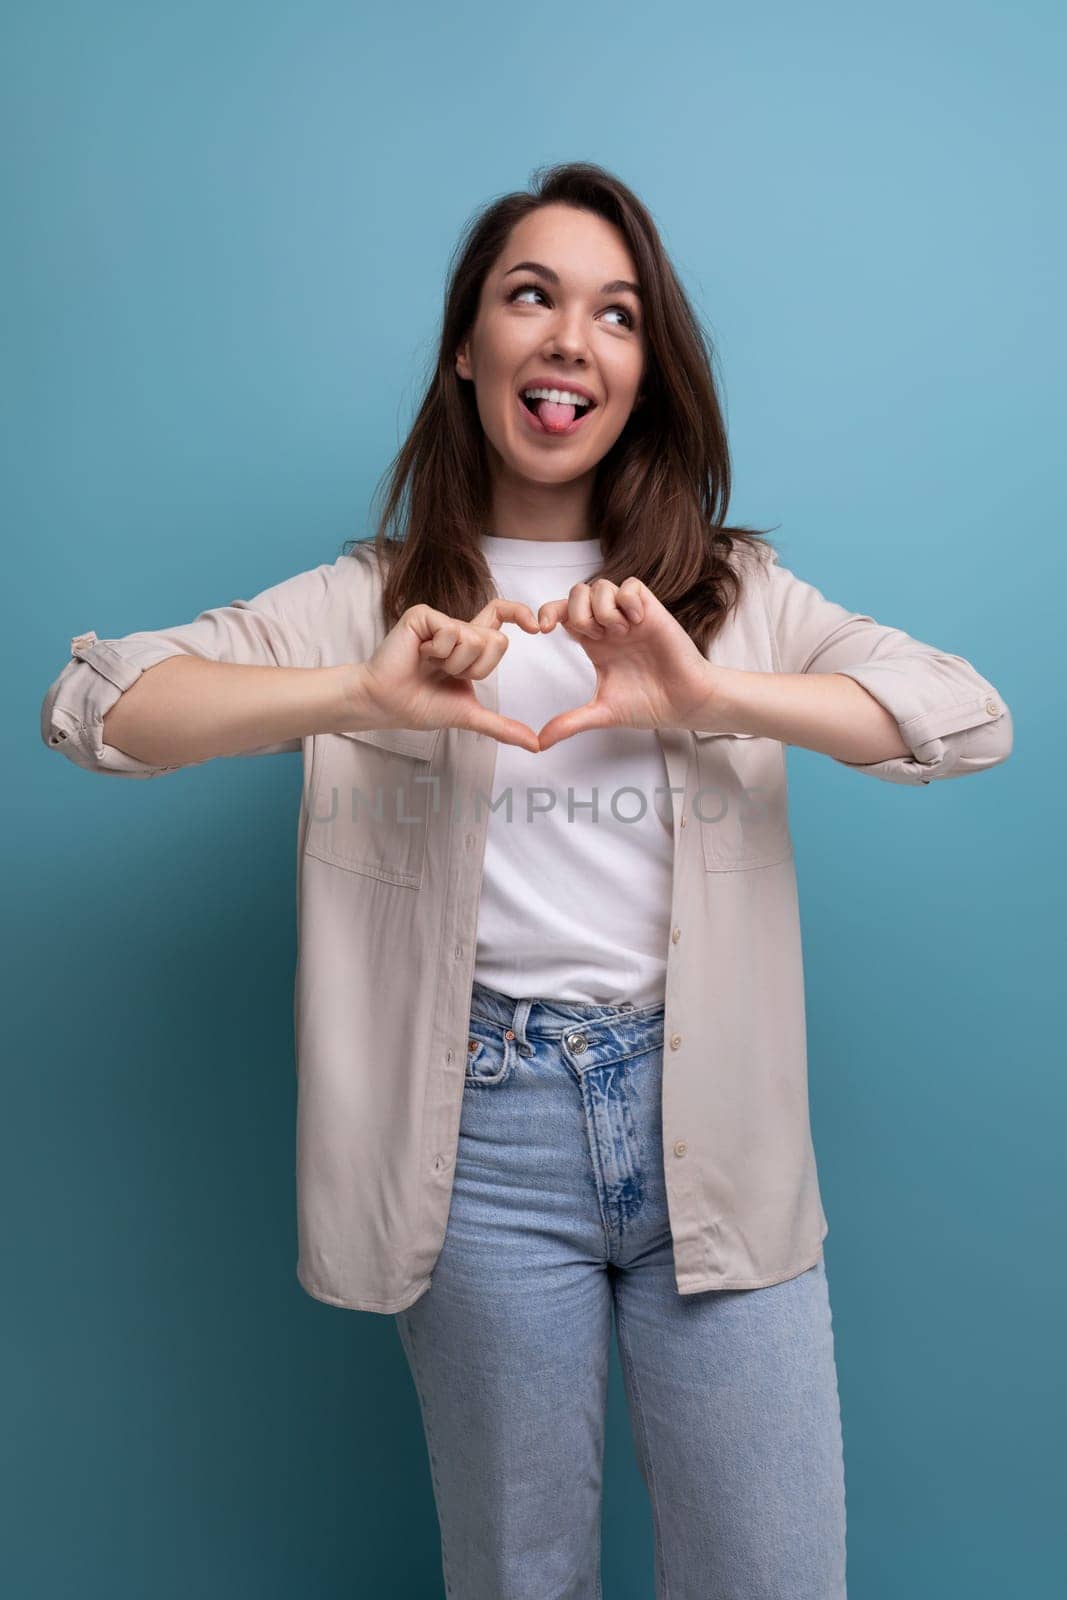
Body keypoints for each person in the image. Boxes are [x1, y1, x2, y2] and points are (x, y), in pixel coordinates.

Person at [40, 161, 1013, 1599]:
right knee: (520, 1577)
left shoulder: (731, 598)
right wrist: (352, 695)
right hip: (480, 1151)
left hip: (716, 1129)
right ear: (468, 346)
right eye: (532, 295)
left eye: (617, 315)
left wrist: (713, 699)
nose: (572, 338)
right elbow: (98, 709)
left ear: (644, 373)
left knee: (773, 1574)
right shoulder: (376, 601)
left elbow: (969, 716)